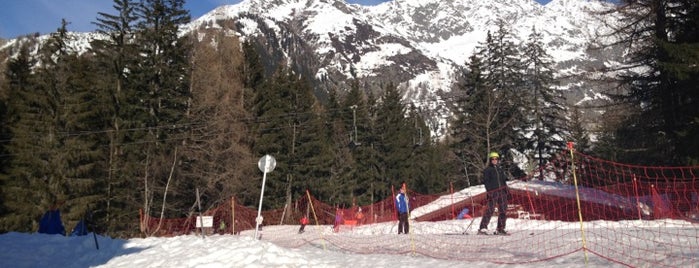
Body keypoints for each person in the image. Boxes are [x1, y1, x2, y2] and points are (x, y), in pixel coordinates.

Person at [478, 151, 510, 235]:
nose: (495, 160)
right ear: (490, 160)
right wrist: (489, 192)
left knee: (503, 210)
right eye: (493, 159)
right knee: (490, 210)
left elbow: (503, 181)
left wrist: (507, 191)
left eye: (496, 159)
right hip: (493, 192)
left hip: (502, 192)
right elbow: (486, 182)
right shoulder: (488, 170)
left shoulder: (500, 170)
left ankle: (500, 228)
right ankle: (483, 228)